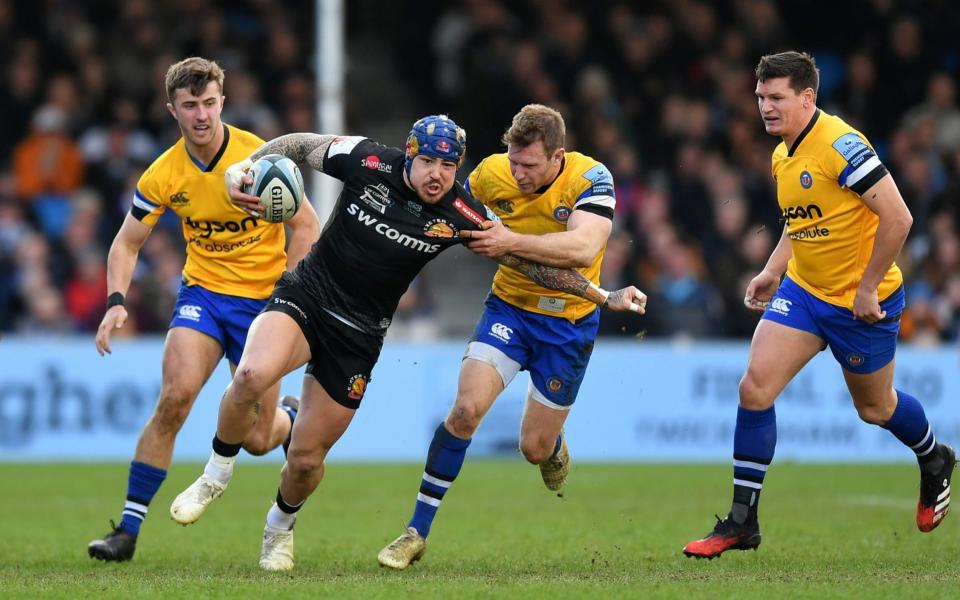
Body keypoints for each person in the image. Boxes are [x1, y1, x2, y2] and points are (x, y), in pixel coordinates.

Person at [168, 114, 646, 571]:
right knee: (251, 373)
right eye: (429, 162)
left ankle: (279, 529)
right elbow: (298, 145)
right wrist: (247, 167)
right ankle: (215, 475)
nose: (437, 175)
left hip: (360, 334)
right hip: (308, 295)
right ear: (410, 154)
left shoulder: (461, 211)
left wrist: (602, 295)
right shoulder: (367, 160)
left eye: (448, 166)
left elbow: (530, 265)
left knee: (307, 460)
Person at [682, 51, 956, 560]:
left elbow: (899, 218)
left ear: (807, 97)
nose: (764, 106)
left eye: (776, 97)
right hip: (805, 293)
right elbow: (802, 219)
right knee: (755, 386)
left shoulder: (842, 145)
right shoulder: (783, 153)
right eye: (760, 97)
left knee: (876, 407)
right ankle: (742, 521)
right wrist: (772, 268)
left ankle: (934, 456)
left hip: (860, 303)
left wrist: (869, 286)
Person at [86, 57, 321, 562]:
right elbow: (126, 243)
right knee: (174, 400)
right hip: (204, 297)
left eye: (209, 103)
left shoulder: (258, 159)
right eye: (190, 105)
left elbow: (306, 226)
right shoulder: (163, 172)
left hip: (264, 305)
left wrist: (292, 291)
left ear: (222, 102)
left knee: (259, 441)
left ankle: (286, 418)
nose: (201, 115)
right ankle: (126, 531)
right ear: (173, 110)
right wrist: (115, 303)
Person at [377, 103, 629, 569]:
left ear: (558, 156)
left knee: (533, 449)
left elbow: (583, 247)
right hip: (509, 311)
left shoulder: (591, 179)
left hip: (568, 325)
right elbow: (448, 214)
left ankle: (552, 446)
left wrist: (508, 239)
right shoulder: (493, 174)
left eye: (529, 165)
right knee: (465, 410)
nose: (518, 173)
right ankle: (416, 531)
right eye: (513, 161)